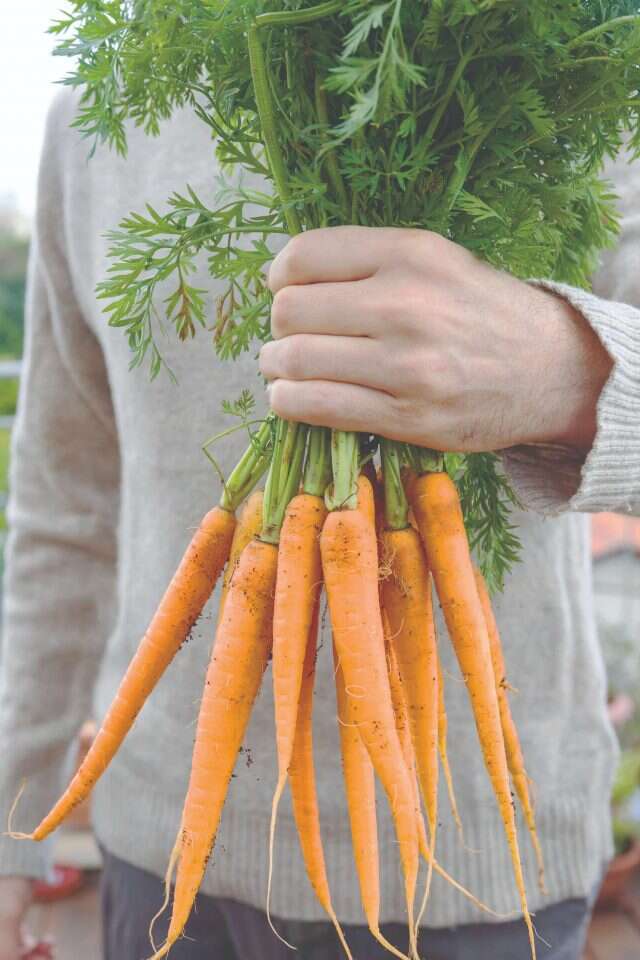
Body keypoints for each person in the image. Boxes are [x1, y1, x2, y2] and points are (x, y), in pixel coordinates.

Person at [0, 90, 638, 960]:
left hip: (483, 882)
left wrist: (570, 372)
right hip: (164, 854)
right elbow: (61, 513)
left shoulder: (552, 63)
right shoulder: (94, 112)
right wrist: (11, 831)